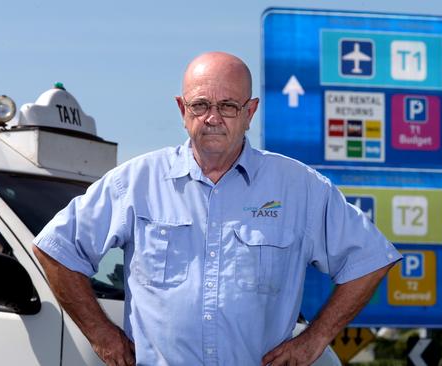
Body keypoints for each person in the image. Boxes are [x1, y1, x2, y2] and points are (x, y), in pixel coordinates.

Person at [33, 51, 401, 366]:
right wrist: (101, 335)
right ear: (182, 108)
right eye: (200, 105)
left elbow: (369, 258)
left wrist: (315, 341)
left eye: (227, 106)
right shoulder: (136, 182)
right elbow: (56, 248)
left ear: (250, 111)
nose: (213, 118)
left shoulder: (299, 187)